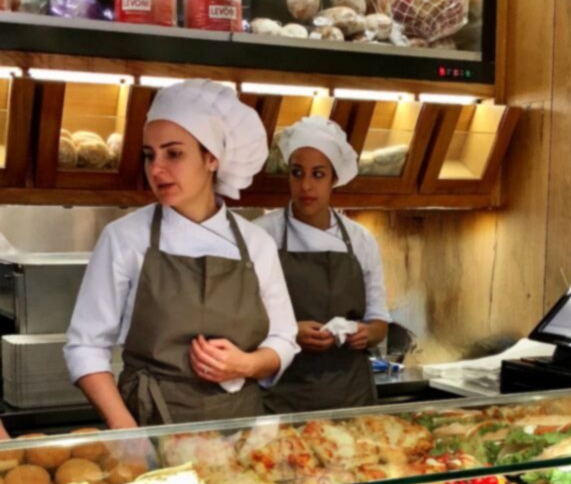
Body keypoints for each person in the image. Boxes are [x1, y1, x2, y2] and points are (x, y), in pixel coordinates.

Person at [64, 79, 299, 429]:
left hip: (240, 429)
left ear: (212, 158)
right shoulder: (124, 238)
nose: (156, 169)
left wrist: (247, 365)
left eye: (173, 153)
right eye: (149, 154)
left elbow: (283, 338)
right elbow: (84, 347)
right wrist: (127, 433)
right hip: (151, 421)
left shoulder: (256, 243)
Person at [255, 115, 390, 414]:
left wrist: (366, 333)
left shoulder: (361, 240)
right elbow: (243, 321)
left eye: (318, 174)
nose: (306, 186)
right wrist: (290, 332)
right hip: (283, 397)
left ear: (334, 179)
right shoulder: (262, 236)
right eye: (297, 172)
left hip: (350, 398)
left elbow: (379, 321)